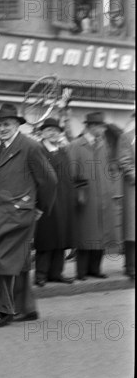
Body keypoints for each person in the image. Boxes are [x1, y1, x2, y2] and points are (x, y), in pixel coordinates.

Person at [0, 103, 57, 328]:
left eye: (7, 124)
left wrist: (40, 207)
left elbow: (50, 180)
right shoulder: (0, 148)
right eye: (0, 125)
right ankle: (28, 308)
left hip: (18, 215)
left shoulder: (30, 147)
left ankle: (4, 311)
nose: (2, 128)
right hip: (2, 213)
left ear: (17, 125)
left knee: (3, 259)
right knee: (19, 262)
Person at [68, 111, 119, 280]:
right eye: (100, 126)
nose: (103, 130)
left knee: (100, 234)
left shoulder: (104, 144)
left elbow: (109, 168)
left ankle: (95, 269)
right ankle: (81, 271)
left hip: (103, 195)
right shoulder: (76, 145)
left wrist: (111, 188)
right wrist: (76, 192)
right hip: (85, 195)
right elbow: (71, 172)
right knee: (85, 234)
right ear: (91, 127)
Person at [33, 118, 75, 286]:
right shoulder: (38, 151)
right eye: (49, 130)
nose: (53, 133)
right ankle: (41, 274)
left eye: (56, 130)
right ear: (42, 133)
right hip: (45, 201)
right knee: (46, 238)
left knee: (61, 238)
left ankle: (56, 273)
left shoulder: (63, 151)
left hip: (64, 200)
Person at [117, 112, 135, 280]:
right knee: (132, 231)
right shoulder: (127, 138)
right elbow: (124, 161)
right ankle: (131, 266)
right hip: (133, 189)